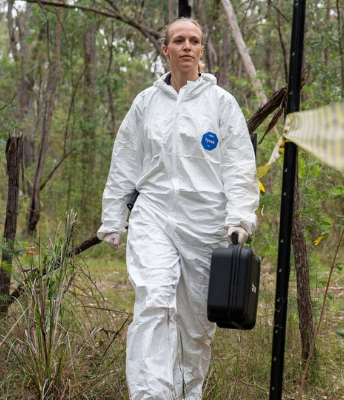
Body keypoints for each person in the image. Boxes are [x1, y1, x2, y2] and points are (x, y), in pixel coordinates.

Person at [97, 17, 259, 400]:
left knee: (195, 325)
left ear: (202, 50)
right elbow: (125, 160)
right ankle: (152, 395)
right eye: (179, 40)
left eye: (194, 40)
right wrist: (113, 217)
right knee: (154, 300)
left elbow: (239, 166)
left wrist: (240, 219)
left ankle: (187, 392)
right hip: (153, 217)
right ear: (165, 49)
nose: (187, 46)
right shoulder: (146, 103)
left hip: (204, 224)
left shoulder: (221, 104)